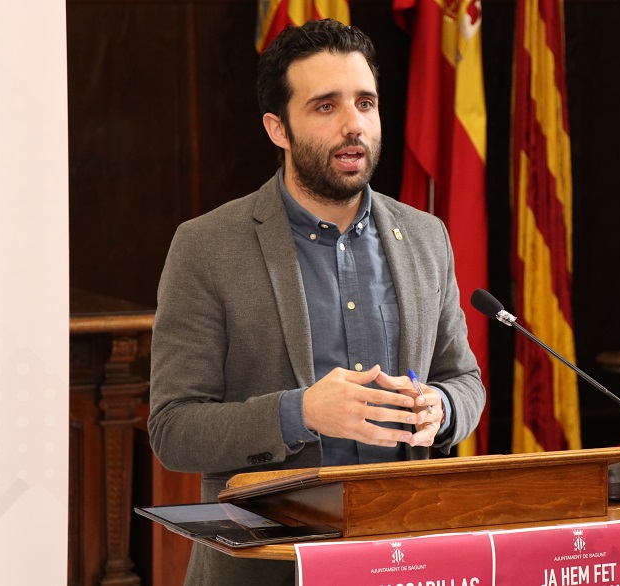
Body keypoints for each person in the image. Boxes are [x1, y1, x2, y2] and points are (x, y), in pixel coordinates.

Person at [148, 18, 486, 585]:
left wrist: (443, 408)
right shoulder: (206, 247)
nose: (355, 125)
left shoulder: (426, 237)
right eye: (326, 106)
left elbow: (465, 380)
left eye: (365, 103)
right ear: (277, 128)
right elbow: (173, 430)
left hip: (405, 558)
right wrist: (299, 413)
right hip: (265, 568)